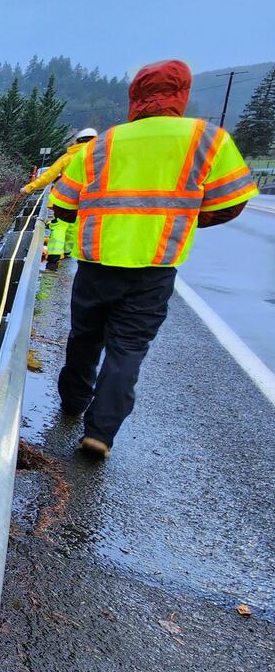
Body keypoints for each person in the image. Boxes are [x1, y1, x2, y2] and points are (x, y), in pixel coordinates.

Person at [48, 59, 257, 460]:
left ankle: (72, 402)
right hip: (154, 266)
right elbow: (232, 202)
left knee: (84, 338)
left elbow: (63, 204)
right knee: (127, 349)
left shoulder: (105, 144)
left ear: (135, 97)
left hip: (97, 261)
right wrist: (186, 219)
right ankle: (100, 433)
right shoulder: (205, 138)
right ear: (182, 95)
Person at [24, 127, 98, 269]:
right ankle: (67, 251)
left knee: (60, 227)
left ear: (77, 141)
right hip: (87, 201)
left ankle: (53, 258)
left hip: (64, 200)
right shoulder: (100, 158)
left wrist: (28, 188)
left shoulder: (68, 157)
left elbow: (48, 176)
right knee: (73, 227)